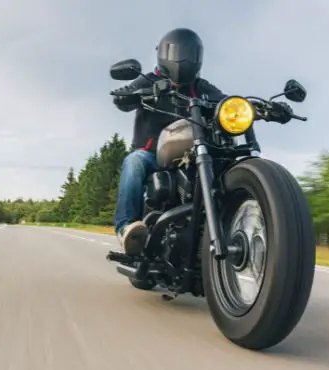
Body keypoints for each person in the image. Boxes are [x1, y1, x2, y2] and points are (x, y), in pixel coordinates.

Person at [110, 27, 291, 256]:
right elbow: (121, 95)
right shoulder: (148, 81)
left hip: (194, 153)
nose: (184, 58)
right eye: (179, 52)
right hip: (153, 154)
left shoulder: (201, 88)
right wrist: (129, 95)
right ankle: (126, 228)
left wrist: (266, 108)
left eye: (189, 53)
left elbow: (227, 101)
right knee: (134, 162)